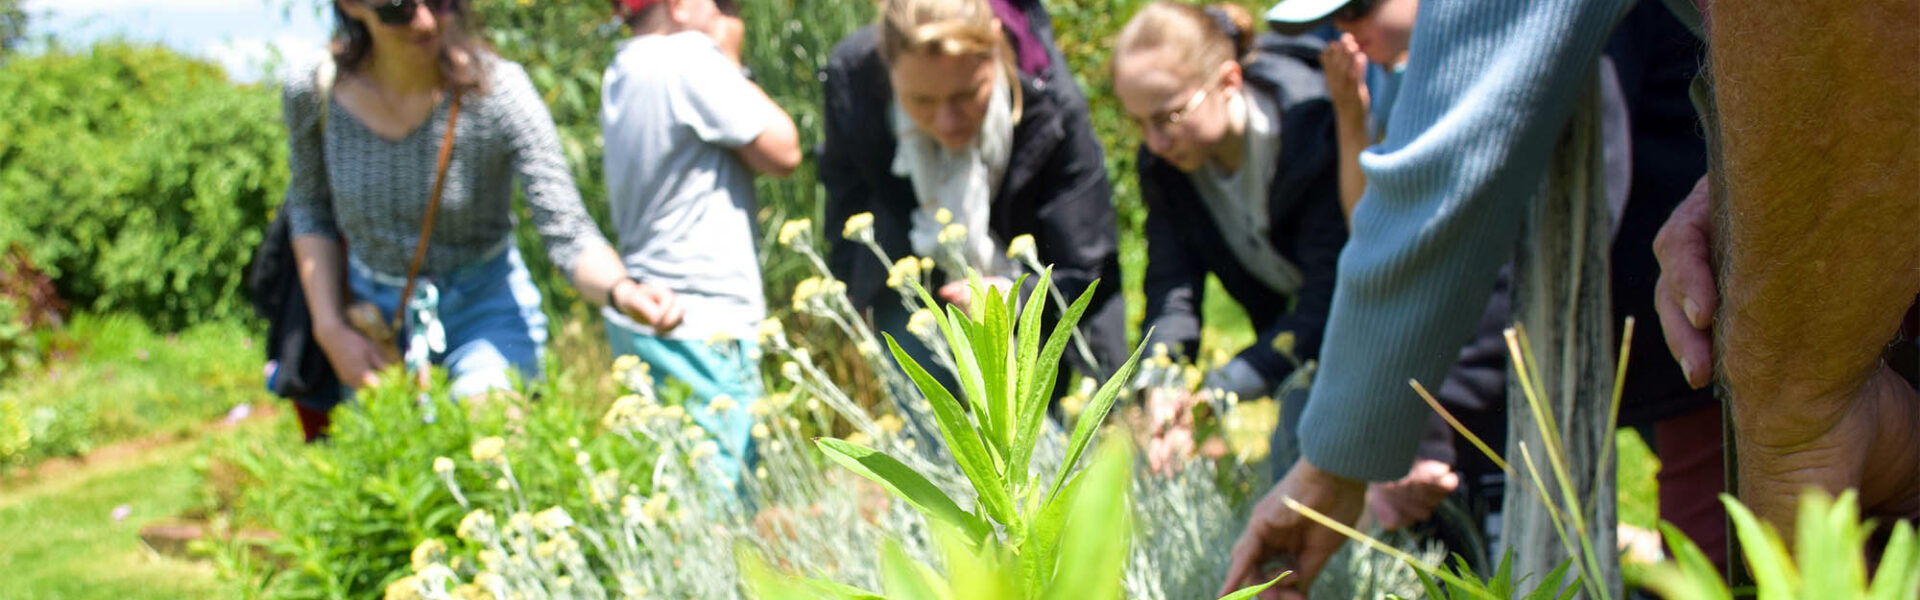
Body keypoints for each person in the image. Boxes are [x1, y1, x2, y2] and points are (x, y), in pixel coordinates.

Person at [1225, 0, 1918, 596]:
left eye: (1359, 7)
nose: (1348, 30)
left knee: (1787, 490)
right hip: (1727, 299)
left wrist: (1337, 459)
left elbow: (1447, 158)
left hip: (1685, 334)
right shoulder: (1365, 82)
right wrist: (1740, 184)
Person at [282, 0, 651, 438]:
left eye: (440, 2)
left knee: (496, 453)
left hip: (484, 306)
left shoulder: (498, 93)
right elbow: (309, 208)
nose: (424, 21)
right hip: (373, 319)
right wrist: (330, 327)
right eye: (398, 8)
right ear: (353, 6)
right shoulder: (314, 90)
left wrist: (623, 291)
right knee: (395, 479)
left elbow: (566, 230)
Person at [818, 0, 1128, 396]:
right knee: (936, 434)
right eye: (921, 102)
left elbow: (1088, 261)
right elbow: (845, 194)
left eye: (966, 94)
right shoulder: (854, 81)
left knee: (1040, 440)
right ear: (886, 69)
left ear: (996, 49)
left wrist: (1015, 298)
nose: (946, 122)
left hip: (1031, 295)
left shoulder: (1050, 100)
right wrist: (853, 291)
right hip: (909, 282)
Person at [599, 0, 802, 484]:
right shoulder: (688, 58)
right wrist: (731, 60)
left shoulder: (624, 67)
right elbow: (784, 149)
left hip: (648, 311)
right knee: (726, 497)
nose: (730, 17)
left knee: (682, 489)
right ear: (680, 5)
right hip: (704, 319)